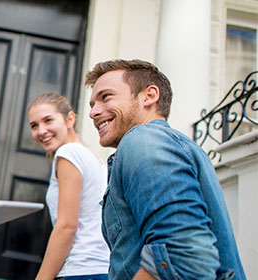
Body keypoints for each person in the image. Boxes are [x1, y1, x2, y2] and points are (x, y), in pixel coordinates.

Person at [85, 59, 246, 279]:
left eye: (106, 97)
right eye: (92, 105)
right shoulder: (173, 144)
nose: (93, 112)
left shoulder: (143, 140)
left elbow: (183, 256)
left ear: (149, 96)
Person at [28, 93, 109, 280]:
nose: (41, 131)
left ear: (69, 119)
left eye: (48, 120)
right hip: (100, 268)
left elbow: (67, 226)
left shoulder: (68, 153)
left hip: (81, 269)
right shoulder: (92, 157)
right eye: (34, 125)